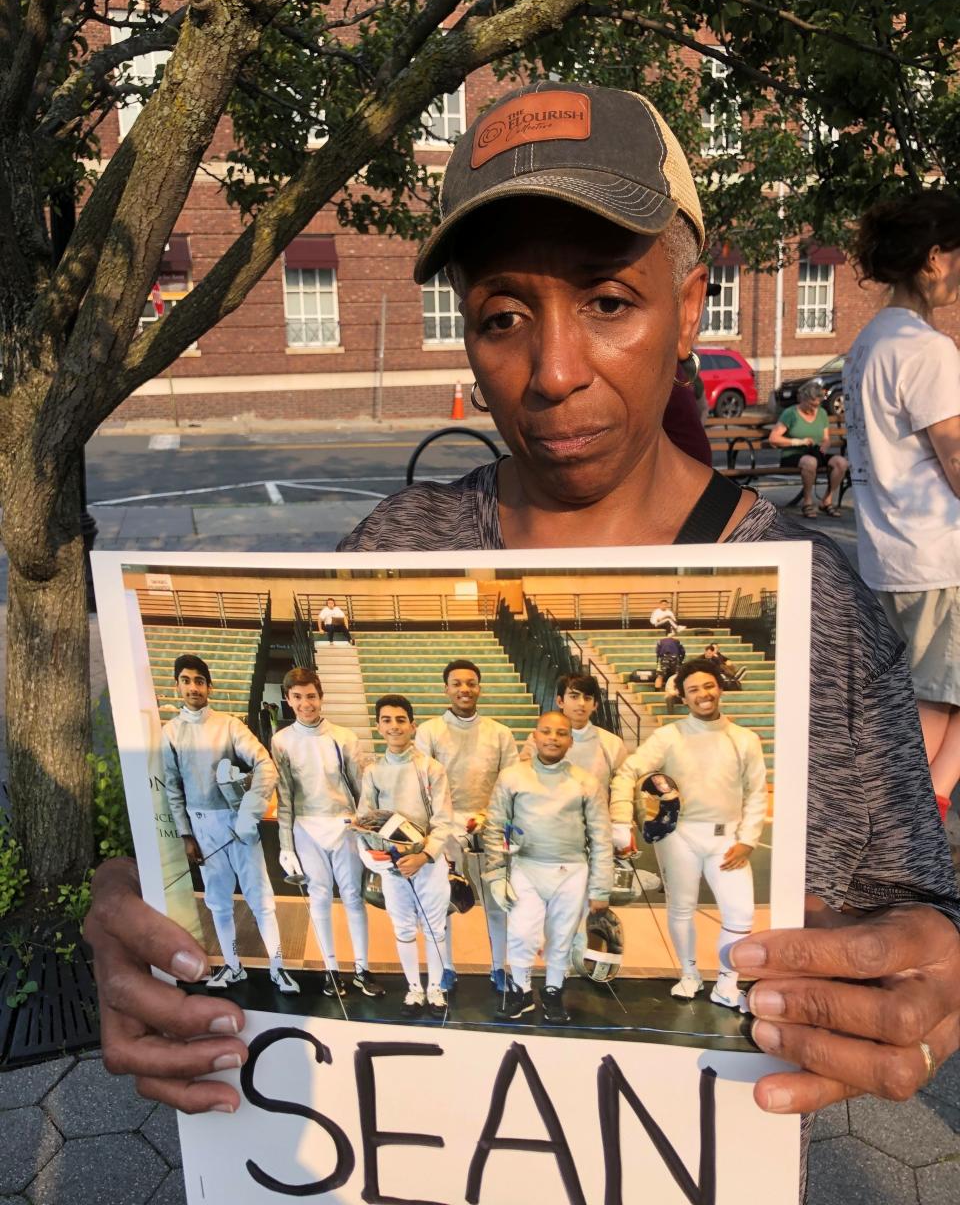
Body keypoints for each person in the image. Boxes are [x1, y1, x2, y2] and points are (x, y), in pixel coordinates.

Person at [86, 82, 960, 1135]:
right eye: (504, 315)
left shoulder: (819, 603)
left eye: (608, 301)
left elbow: (915, 900)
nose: (552, 371)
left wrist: (922, 971)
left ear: (689, 309)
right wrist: (150, 910)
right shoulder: (396, 546)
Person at [843, 190, 960, 823]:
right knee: (935, 700)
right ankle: (913, 815)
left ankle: (918, 806)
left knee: (926, 696)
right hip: (939, 553)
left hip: (886, 552)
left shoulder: (868, 344)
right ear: (934, 258)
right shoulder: (928, 351)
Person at [610, 658, 767, 1011]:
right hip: (679, 835)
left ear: (720, 688)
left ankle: (727, 983)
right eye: (693, 690)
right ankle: (689, 973)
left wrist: (747, 839)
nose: (703, 695)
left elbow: (756, 792)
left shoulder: (744, 739)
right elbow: (628, 771)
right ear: (683, 696)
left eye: (708, 686)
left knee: (740, 914)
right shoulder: (669, 736)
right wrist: (622, 820)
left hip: (727, 838)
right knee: (681, 909)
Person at [160, 654, 299, 994]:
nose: (193, 687)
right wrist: (186, 834)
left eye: (199, 681)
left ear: (209, 686)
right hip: (202, 826)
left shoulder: (230, 725)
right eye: (187, 680)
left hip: (237, 823)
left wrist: (248, 814)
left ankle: (278, 968)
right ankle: (233, 966)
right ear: (178, 685)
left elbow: (264, 764)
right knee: (218, 902)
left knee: (261, 899)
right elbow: (173, 786)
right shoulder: (171, 732)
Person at [484, 711, 613, 1024]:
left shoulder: (585, 781)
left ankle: (554, 992)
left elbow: (600, 836)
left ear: (570, 740)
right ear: (535, 735)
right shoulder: (513, 776)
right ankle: (522, 992)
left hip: (571, 872)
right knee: (520, 933)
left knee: (561, 937)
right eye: (546, 731)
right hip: (526, 868)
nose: (553, 738)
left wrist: (600, 888)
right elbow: (495, 825)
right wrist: (497, 874)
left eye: (561, 733)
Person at [270, 668, 382, 999]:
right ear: (289, 700)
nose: (306, 704)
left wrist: (367, 831)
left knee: (352, 898)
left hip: (344, 825)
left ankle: (363, 969)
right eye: (298, 697)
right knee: (319, 897)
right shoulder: (281, 741)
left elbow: (362, 789)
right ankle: (331, 971)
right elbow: (285, 796)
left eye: (312, 696)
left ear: (321, 697)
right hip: (306, 826)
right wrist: (286, 844)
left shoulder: (344, 737)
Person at [414, 659, 518, 991]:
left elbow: (512, 783)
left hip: (489, 823)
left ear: (479, 688)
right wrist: (443, 824)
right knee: (444, 900)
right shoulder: (429, 731)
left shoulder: (499, 733)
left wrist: (490, 818)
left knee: (497, 899)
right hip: (445, 828)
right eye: (457, 683)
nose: (464, 689)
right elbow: (423, 784)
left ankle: (499, 967)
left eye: (471, 683)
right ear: (446, 689)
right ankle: (445, 967)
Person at [355, 695, 454, 1019]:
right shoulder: (373, 772)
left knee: (435, 928)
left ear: (412, 725)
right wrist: (378, 857)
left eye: (400, 720)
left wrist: (424, 854)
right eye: (387, 720)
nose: (394, 726)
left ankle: (436, 989)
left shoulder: (431, 768)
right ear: (379, 726)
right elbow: (365, 820)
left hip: (428, 863)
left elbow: (443, 819)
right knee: (403, 928)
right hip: (394, 866)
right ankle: (414, 988)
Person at [519, 672, 628, 791]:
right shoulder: (538, 739)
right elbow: (523, 780)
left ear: (595, 705)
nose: (581, 703)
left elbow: (622, 787)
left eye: (587, 698)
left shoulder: (612, 743)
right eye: (574, 696)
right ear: (560, 701)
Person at [768, 381, 849, 519]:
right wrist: (798, 441)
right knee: (810, 462)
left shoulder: (822, 414)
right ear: (803, 399)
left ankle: (827, 500)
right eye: (811, 405)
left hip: (816, 452)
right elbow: (773, 438)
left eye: (817, 405)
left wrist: (825, 444)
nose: (814, 409)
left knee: (841, 463)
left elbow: (825, 438)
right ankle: (807, 502)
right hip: (793, 454)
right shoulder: (791, 414)